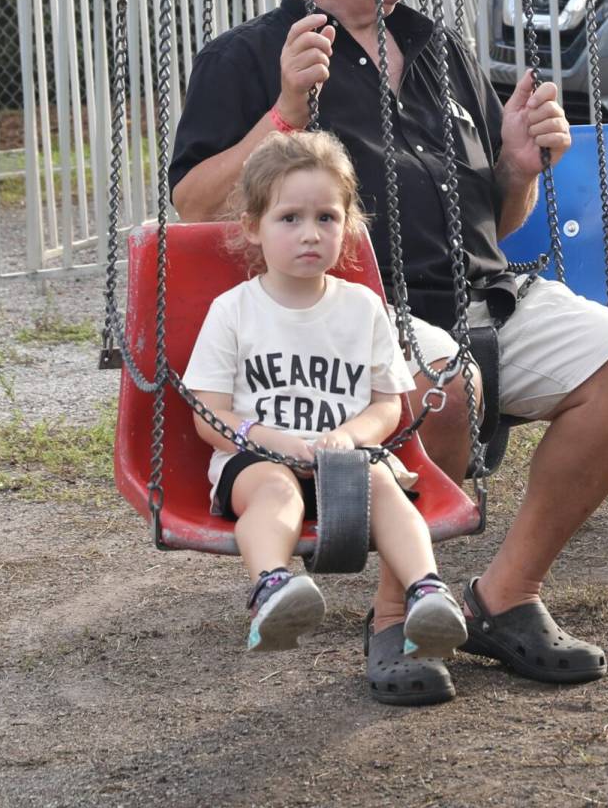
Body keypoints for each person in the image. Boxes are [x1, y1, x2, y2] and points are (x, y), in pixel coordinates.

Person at [168, 0, 608, 705]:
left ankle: (503, 596)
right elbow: (195, 207)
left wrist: (518, 167)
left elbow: (498, 217)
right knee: (442, 381)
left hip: (485, 296)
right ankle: (397, 617)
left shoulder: (437, 48)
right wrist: (283, 113)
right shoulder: (246, 58)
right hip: (357, 319)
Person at [183, 131, 468, 689]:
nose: (310, 233)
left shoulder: (362, 308)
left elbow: (387, 405)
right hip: (257, 459)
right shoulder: (233, 311)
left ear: (348, 225)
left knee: (384, 486)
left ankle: (427, 591)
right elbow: (208, 415)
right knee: (276, 490)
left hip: (344, 460)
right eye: (289, 218)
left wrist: (350, 436)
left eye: (326, 218)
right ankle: (273, 587)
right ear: (252, 226)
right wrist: (273, 441)